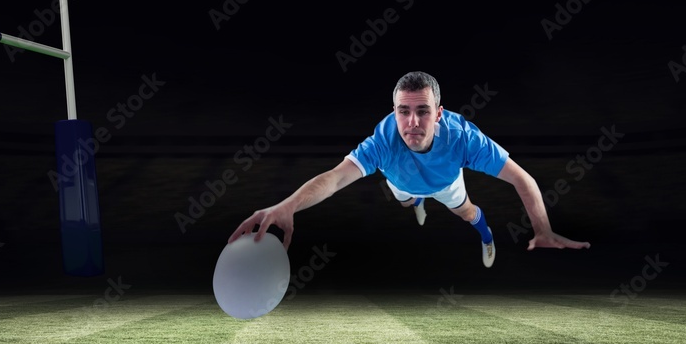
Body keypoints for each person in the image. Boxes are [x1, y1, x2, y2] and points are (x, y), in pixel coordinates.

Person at [228, 71, 590, 268]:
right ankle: (415, 202)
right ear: (395, 111)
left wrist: (543, 229)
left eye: (422, 111)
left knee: (466, 213)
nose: (412, 122)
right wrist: (289, 204)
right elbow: (336, 177)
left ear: (439, 113)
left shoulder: (463, 139)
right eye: (403, 111)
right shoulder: (383, 141)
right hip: (400, 181)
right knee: (405, 201)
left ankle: (486, 235)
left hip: (446, 182)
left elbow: (521, 178)